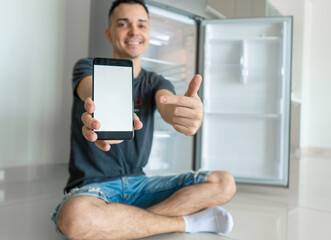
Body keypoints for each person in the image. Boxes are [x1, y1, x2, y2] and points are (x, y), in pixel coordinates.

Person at [51, 0, 236, 239]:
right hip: (93, 187)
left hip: (141, 185)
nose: (134, 32)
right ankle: (184, 222)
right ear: (110, 33)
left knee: (224, 183)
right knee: (75, 218)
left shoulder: (157, 82)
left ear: (148, 33)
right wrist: (97, 108)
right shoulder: (88, 68)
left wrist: (182, 114)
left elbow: (166, 103)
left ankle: (125, 222)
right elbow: (90, 90)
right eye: (123, 24)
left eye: (142, 25)